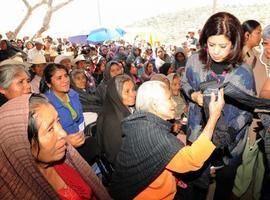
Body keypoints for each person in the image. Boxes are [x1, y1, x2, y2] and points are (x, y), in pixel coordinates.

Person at [181, 12, 255, 199]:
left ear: (235, 43)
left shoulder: (243, 73)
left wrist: (228, 134)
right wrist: (193, 95)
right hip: (198, 135)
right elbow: (184, 83)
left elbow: (247, 112)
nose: (215, 51)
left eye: (223, 46)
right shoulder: (195, 61)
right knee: (196, 186)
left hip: (229, 145)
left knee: (223, 187)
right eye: (211, 44)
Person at [109, 80, 224, 199]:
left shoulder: (144, 122)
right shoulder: (150, 132)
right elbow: (191, 159)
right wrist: (213, 117)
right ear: (154, 105)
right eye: (169, 99)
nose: (174, 104)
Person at [0, 94, 111, 199]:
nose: (63, 134)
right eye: (50, 129)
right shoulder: (24, 193)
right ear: (21, 143)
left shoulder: (65, 159)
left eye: (58, 121)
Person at [96, 74, 136, 165]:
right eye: (127, 91)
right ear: (116, 94)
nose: (133, 94)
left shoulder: (129, 108)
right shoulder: (111, 120)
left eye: (133, 89)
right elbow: (115, 156)